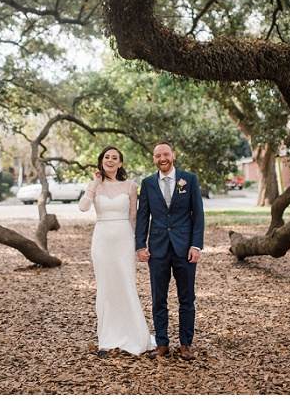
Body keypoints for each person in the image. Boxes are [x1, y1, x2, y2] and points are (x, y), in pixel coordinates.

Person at [79, 146, 156, 357]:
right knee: (106, 288)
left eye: (115, 158)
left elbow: (134, 218)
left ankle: (132, 338)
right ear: (101, 161)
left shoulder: (130, 186)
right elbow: (83, 207)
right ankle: (107, 339)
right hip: (102, 240)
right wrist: (95, 183)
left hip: (124, 239)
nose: (110, 160)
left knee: (125, 285)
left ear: (120, 163)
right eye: (107, 157)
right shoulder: (94, 186)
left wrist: (139, 244)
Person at [135, 141, 204, 361]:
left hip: (184, 249)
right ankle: (162, 343)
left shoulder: (189, 179)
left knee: (187, 298)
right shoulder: (147, 183)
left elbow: (198, 215)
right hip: (157, 248)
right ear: (154, 159)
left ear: (173, 155)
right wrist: (140, 245)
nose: (162, 159)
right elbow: (143, 216)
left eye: (165, 154)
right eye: (157, 156)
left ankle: (186, 345)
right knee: (158, 298)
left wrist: (196, 245)